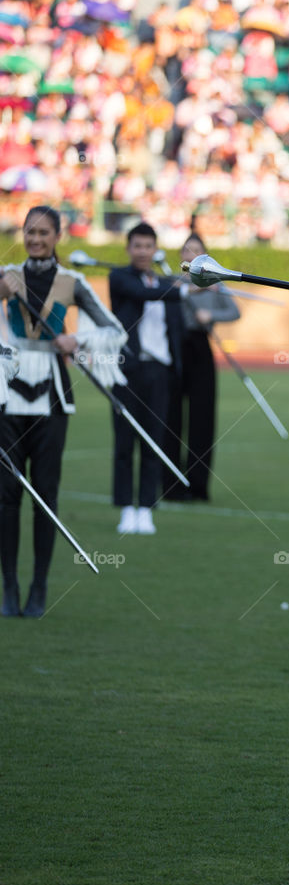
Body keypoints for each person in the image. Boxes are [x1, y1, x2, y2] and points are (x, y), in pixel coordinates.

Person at [0, 206, 126, 617]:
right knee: (6, 495)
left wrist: (77, 341)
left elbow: (114, 329)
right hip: (7, 396)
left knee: (45, 494)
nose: (35, 239)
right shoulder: (7, 276)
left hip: (52, 396)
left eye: (43, 232)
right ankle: (10, 587)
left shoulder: (74, 282)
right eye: (30, 232)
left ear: (57, 236)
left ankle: (39, 586)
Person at [109, 223, 183, 535]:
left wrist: (191, 289)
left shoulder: (165, 283)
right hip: (128, 370)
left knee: (154, 441)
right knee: (125, 441)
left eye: (147, 246)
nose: (142, 251)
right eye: (137, 245)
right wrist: (183, 288)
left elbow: (176, 324)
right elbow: (142, 293)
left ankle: (146, 508)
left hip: (158, 372)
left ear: (155, 250)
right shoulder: (120, 277)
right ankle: (126, 508)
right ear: (128, 249)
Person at [162, 234, 240, 503]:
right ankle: (170, 485)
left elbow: (234, 311)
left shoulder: (213, 281)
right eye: (187, 250)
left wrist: (210, 315)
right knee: (171, 418)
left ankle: (198, 486)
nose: (191, 254)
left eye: (197, 251)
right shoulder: (170, 279)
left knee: (202, 418)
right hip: (172, 349)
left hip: (200, 348)